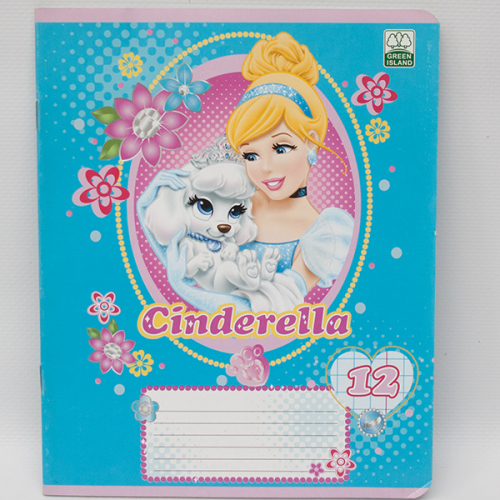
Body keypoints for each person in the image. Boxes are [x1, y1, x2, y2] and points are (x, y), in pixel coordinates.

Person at [226, 32, 354, 291]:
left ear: (311, 141)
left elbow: (281, 304)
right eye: (251, 155)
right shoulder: (233, 205)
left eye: (281, 148)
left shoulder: (325, 235)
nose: (265, 167)